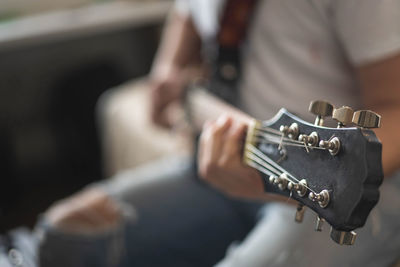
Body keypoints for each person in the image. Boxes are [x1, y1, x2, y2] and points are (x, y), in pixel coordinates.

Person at [37, 0, 400, 266]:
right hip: (221, 161)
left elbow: (395, 107)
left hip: (324, 194)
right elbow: (189, 13)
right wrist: (169, 68)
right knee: (64, 236)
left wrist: (323, 176)